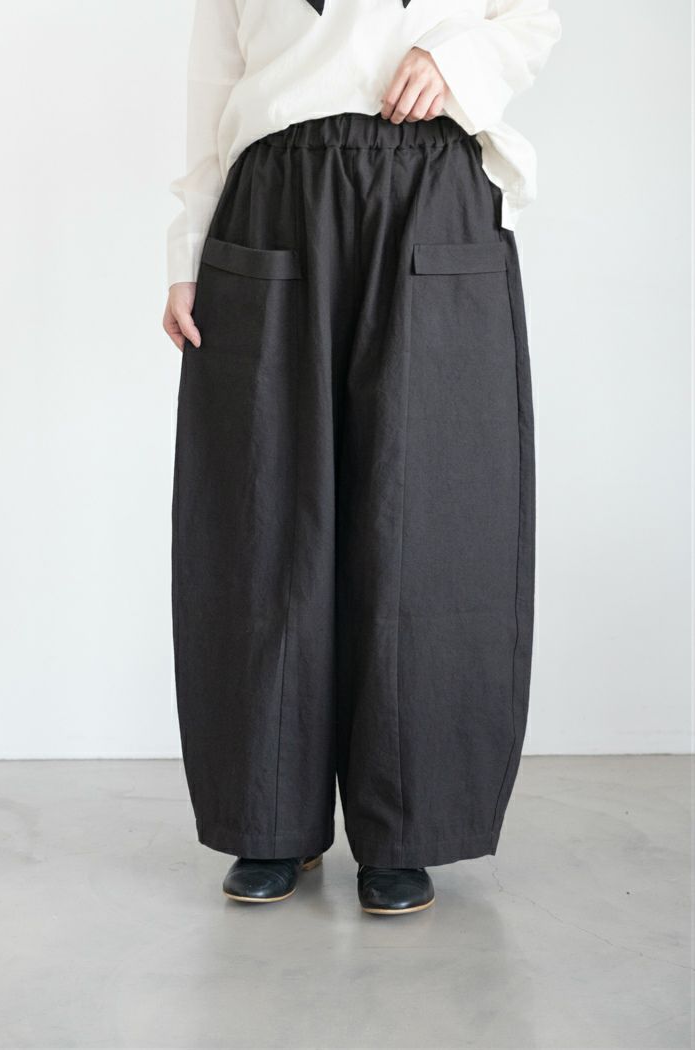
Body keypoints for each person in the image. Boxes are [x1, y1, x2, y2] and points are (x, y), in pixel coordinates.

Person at [164, 0, 561, 915]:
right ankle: (269, 817)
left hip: (432, 188)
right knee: (263, 510)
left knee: (427, 511)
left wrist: (455, 56)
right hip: (272, 198)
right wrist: (186, 252)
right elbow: (210, 90)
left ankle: (406, 826)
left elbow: (531, 16)